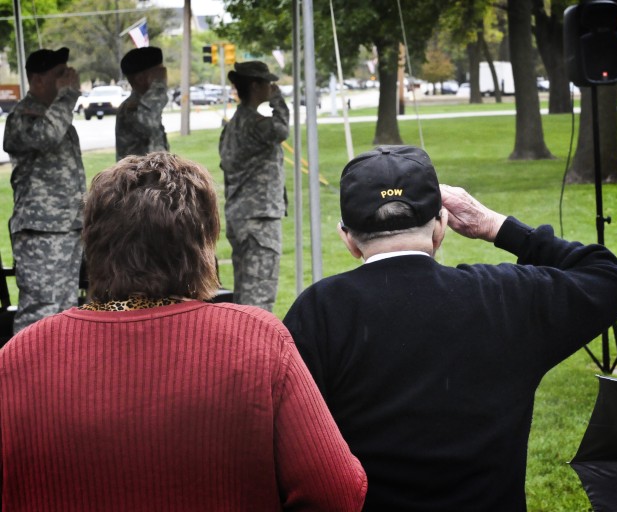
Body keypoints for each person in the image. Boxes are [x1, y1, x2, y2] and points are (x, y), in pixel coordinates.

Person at [0, 152, 367, 510]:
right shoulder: (257, 342)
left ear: (93, 243)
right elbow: (337, 492)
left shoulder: (20, 356)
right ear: (201, 247)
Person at [283, 145, 617, 511]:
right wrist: (496, 226)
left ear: (348, 238)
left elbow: (289, 448)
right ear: (440, 226)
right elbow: (611, 280)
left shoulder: (318, 311)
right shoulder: (505, 297)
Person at [3, 47, 85, 334]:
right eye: (60, 74)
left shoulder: (57, 116)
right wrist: (68, 96)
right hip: (40, 232)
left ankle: (59, 376)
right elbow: (46, 137)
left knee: (65, 313)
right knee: (40, 313)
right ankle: (22, 377)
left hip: (67, 228)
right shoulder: (23, 116)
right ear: (38, 80)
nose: (68, 79)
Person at [219, 60, 289, 311]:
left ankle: (240, 348)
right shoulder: (255, 123)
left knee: (245, 292)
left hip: (241, 215)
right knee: (259, 297)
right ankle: (254, 349)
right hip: (259, 217)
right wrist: (278, 99)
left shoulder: (233, 125)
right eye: (268, 83)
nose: (272, 87)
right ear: (256, 86)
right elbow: (281, 129)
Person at [115, 46, 169, 161]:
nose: (164, 77)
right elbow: (148, 120)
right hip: (138, 177)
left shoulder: (144, 106)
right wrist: (160, 86)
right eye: (159, 74)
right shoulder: (132, 109)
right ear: (140, 79)